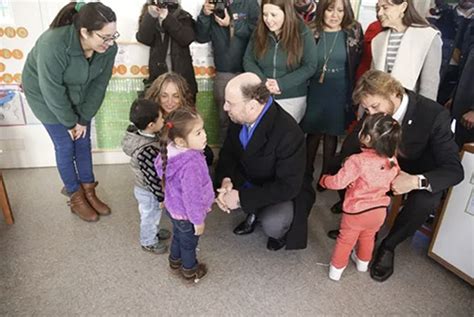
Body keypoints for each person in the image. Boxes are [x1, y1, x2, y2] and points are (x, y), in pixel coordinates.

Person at [328, 70, 464, 282]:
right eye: (366, 109)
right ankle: (362, 227)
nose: (370, 113)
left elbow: (455, 170)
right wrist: (349, 164)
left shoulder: (433, 114)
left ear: (393, 93)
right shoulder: (374, 111)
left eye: (374, 107)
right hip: (379, 166)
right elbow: (352, 144)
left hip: (414, 170)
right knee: (339, 164)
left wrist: (414, 180)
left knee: (426, 199)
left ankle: (388, 245)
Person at [22, 2, 118, 222]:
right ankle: (75, 197)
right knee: (65, 145)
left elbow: (99, 85)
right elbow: (51, 90)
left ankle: (89, 192)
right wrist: (69, 123)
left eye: (113, 35)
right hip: (44, 96)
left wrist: (83, 119)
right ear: (84, 32)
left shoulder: (108, 48)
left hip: (78, 94)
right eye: (105, 37)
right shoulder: (52, 43)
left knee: (82, 141)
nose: (111, 42)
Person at [215, 72, 316, 251]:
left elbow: (288, 187)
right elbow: (228, 153)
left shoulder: (288, 132)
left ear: (253, 106)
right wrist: (226, 179)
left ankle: (281, 233)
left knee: (274, 223)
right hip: (252, 177)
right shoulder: (239, 117)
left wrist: (241, 198)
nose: (224, 107)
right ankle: (253, 211)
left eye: (230, 103)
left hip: (282, 189)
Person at [319, 113, 402, 281]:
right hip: (379, 211)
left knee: (345, 241)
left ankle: (336, 270)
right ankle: (363, 263)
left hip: (356, 212)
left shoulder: (357, 160)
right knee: (368, 237)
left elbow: (339, 183)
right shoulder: (392, 159)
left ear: (367, 137)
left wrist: (325, 180)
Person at [300, 0, 363, 191]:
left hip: (340, 90)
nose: (334, 15)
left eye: (340, 10)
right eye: (330, 10)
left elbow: (357, 61)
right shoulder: (310, 30)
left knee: (331, 134)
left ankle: (325, 176)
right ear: (322, 11)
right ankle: (306, 173)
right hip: (315, 90)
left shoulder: (353, 32)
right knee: (312, 132)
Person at [155, 107, 214, 283]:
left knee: (178, 236)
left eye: (202, 130)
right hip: (188, 215)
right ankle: (189, 270)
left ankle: (174, 262)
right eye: (197, 133)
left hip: (174, 209)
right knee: (189, 244)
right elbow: (192, 197)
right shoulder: (191, 164)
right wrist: (198, 221)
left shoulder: (170, 151)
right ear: (181, 141)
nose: (204, 135)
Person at [243, 0, 318, 123]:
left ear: (286, 13)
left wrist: (281, 83)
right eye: (265, 14)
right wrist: (264, 82)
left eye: (273, 15)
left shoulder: (303, 32)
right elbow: (248, 60)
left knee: (284, 138)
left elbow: (310, 66)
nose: (268, 19)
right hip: (262, 96)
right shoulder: (259, 31)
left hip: (292, 98)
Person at [196, 0, 260, 143]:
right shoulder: (213, 4)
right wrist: (205, 15)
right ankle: (226, 158)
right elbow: (201, 37)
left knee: (251, 119)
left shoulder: (249, 4)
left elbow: (259, 32)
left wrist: (232, 24)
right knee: (224, 120)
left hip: (248, 72)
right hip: (223, 73)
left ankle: (247, 157)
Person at [122, 99, 171, 254]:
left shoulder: (140, 135)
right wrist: (161, 197)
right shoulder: (146, 150)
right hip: (148, 191)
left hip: (143, 188)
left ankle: (153, 232)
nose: (164, 120)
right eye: (161, 118)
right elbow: (152, 178)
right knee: (150, 215)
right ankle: (148, 241)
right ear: (151, 125)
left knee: (150, 214)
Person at [372, 0, 442, 101]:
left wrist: (422, 114)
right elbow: (372, 80)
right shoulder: (378, 39)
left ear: (403, 6)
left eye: (385, 7)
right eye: (378, 8)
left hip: (411, 106)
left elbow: (429, 88)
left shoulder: (428, 37)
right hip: (380, 105)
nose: (379, 13)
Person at [144, 72, 214, 166]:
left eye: (176, 96)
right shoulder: (151, 118)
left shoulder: (188, 116)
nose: (170, 101)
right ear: (157, 96)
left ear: (183, 98)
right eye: (164, 96)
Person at [136, 0, 197, 98]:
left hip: (183, 80)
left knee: (184, 112)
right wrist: (151, 16)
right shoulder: (149, 14)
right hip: (158, 79)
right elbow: (144, 38)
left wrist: (167, 18)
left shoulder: (184, 16)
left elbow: (186, 39)